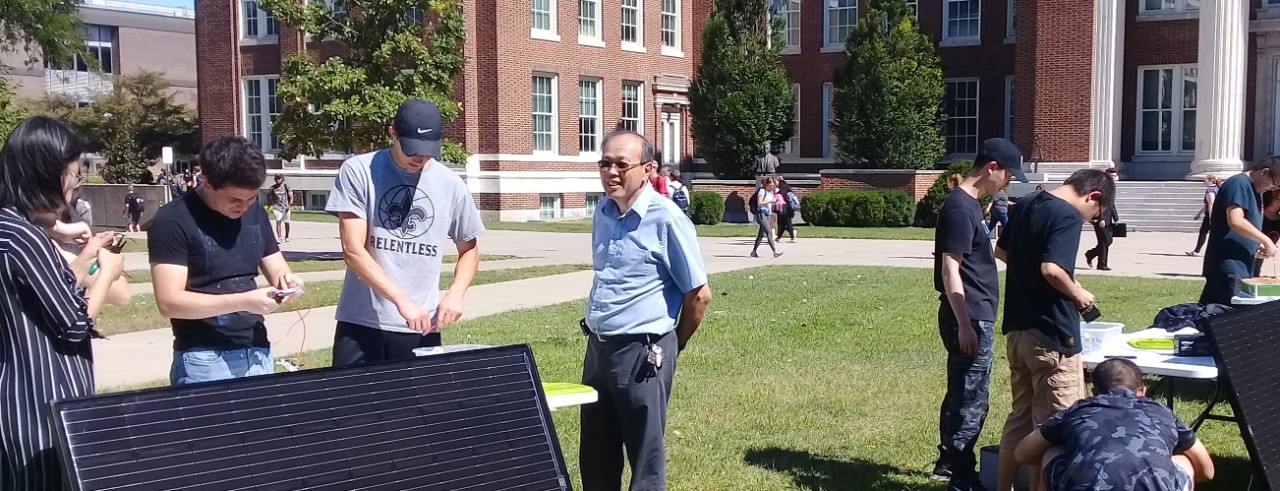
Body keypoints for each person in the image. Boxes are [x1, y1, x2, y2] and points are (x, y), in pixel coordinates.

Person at [580, 129, 711, 491]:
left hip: (643, 354)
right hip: (599, 349)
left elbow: (699, 295)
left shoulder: (666, 218)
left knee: (644, 459)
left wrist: (672, 344)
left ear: (648, 169)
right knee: (595, 455)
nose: (612, 172)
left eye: (622, 164)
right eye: (605, 163)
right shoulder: (603, 212)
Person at [0, 116, 127, 490]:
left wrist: (74, 242)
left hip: (16, 398)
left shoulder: (9, 228)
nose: (73, 186)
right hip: (42, 403)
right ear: (48, 172)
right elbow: (73, 324)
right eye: (72, 174)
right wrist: (106, 272)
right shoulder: (24, 239)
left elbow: (48, 293)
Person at [325, 99, 484, 367]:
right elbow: (353, 251)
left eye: (427, 151)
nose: (419, 158)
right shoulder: (359, 172)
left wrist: (456, 294)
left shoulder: (451, 185)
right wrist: (401, 301)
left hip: (421, 327)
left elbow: (469, 250)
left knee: (416, 409)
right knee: (353, 407)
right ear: (393, 133)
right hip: (362, 323)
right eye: (412, 150)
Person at [148, 136, 304, 385]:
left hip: (257, 349)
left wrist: (290, 284)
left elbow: (278, 268)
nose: (244, 207)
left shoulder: (254, 212)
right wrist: (243, 302)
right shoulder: (173, 220)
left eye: (252, 198)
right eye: (235, 200)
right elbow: (169, 303)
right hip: (204, 357)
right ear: (207, 182)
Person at [994, 169, 1115, 491]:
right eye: (1095, 216)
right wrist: (1079, 293)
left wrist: (1037, 277)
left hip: (1018, 330)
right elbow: (1051, 269)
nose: (1090, 219)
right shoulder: (1066, 214)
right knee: (1056, 427)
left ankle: (1003, 486)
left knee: (1020, 419)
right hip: (1052, 334)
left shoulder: (1028, 202)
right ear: (1094, 197)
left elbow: (1001, 251)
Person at [931, 138, 1029, 491]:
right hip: (969, 314)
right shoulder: (960, 207)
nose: (1007, 183)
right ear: (992, 168)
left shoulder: (971, 204)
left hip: (972, 313)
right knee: (972, 397)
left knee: (962, 391)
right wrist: (964, 324)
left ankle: (948, 462)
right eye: (1007, 175)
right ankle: (961, 474)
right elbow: (949, 268)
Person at [1015, 358, 1216, 491]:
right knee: (1185, 462)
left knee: (1051, 452)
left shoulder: (1079, 410)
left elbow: (1023, 453)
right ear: (1143, 392)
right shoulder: (1162, 412)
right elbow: (1207, 471)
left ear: (1094, 392)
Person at [1199, 157, 1280, 305]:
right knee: (1225, 319)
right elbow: (1235, 220)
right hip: (1228, 266)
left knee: (1212, 318)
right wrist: (1266, 240)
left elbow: (1248, 226)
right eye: (1275, 184)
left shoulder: (1257, 192)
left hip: (1241, 265)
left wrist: (1257, 243)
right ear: (1264, 172)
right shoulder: (1239, 184)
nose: (1273, 189)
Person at [1086, 171, 1120, 271]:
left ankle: (1091, 253)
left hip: (1108, 218)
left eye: (1115, 175)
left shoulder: (1111, 187)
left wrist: (1116, 217)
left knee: (1109, 240)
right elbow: (1099, 204)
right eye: (1112, 176)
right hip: (1100, 219)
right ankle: (1102, 264)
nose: (1114, 177)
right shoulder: (1101, 187)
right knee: (1104, 241)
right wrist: (1101, 218)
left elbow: (1111, 204)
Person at [750, 176, 782, 258]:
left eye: (773, 186)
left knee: (761, 234)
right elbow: (759, 203)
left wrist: (774, 202)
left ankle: (754, 251)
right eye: (770, 186)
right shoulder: (762, 191)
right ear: (766, 185)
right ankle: (775, 251)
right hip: (761, 214)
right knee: (769, 232)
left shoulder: (770, 192)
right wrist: (770, 201)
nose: (772, 187)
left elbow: (769, 203)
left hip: (767, 214)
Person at [1187, 176, 1219, 257]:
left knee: (1203, 232)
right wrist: (1199, 213)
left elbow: (1211, 204)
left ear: (1210, 181)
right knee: (1215, 233)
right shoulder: (1217, 189)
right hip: (1215, 214)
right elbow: (1207, 204)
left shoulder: (1210, 190)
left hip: (1210, 215)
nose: (1203, 182)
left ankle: (1197, 251)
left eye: (1205, 180)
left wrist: (1211, 217)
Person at [269, 174, 293, 243]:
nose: (277, 180)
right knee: (278, 220)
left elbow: (291, 197)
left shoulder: (286, 187)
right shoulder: (272, 188)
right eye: (276, 179)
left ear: (282, 179)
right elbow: (270, 198)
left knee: (287, 222)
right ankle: (279, 237)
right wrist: (270, 206)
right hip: (277, 207)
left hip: (286, 207)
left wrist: (289, 205)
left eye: (279, 178)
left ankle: (287, 236)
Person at [775, 176, 798, 243]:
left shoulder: (780, 193)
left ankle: (792, 237)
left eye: (776, 181)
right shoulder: (787, 191)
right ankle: (778, 237)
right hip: (788, 209)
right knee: (784, 224)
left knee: (786, 223)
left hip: (783, 209)